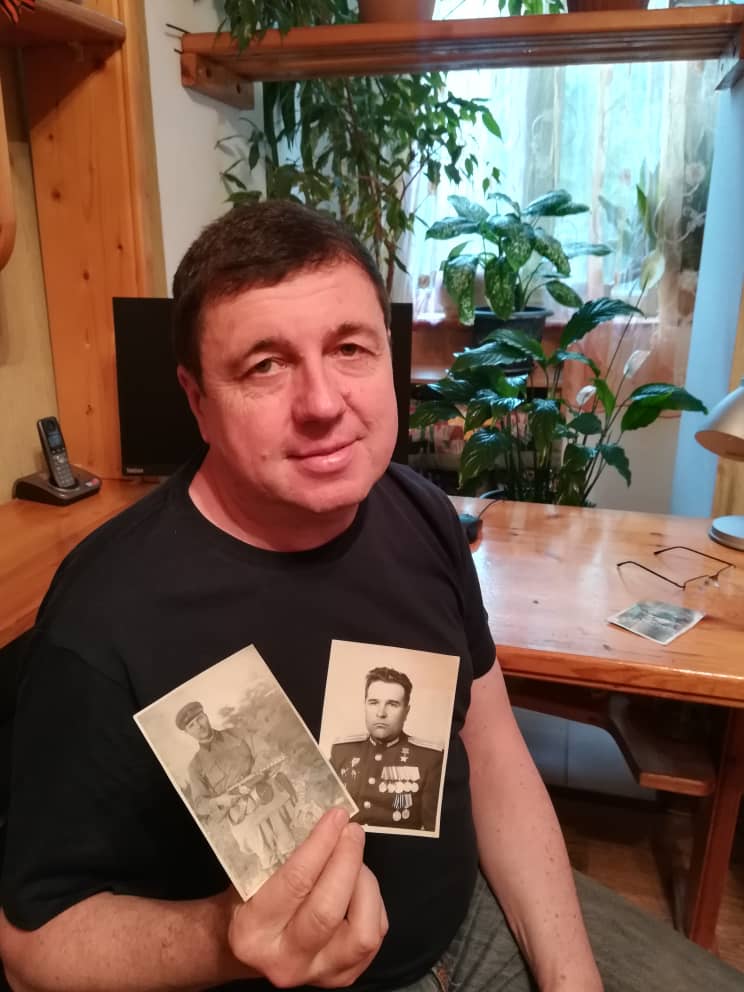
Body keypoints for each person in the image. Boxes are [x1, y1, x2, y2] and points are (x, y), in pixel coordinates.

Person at [0, 200, 740, 992]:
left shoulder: (422, 514)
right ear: (197, 400)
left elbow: (492, 751)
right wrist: (222, 937)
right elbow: (32, 945)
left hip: (477, 917)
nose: (323, 404)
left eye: (349, 348)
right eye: (264, 365)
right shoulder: (103, 618)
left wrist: (570, 978)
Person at [175, 702, 296, 879]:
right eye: (191, 725)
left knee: (290, 849)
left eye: (199, 718)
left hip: (265, 795)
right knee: (270, 862)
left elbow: (263, 750)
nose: (199, 726)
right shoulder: (195, 766)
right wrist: (219, 801)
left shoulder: (237, 733)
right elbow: (200, 804)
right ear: (188, 732)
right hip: (241, 814)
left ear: (206, 716)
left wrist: (256, 774)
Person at [330, 667, 443, 831]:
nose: (381, 713)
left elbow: (432, 829)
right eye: (373, 702)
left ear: (406, 712)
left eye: (392, 704)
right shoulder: (342, 751)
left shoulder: (429, 759)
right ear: (364, 705)